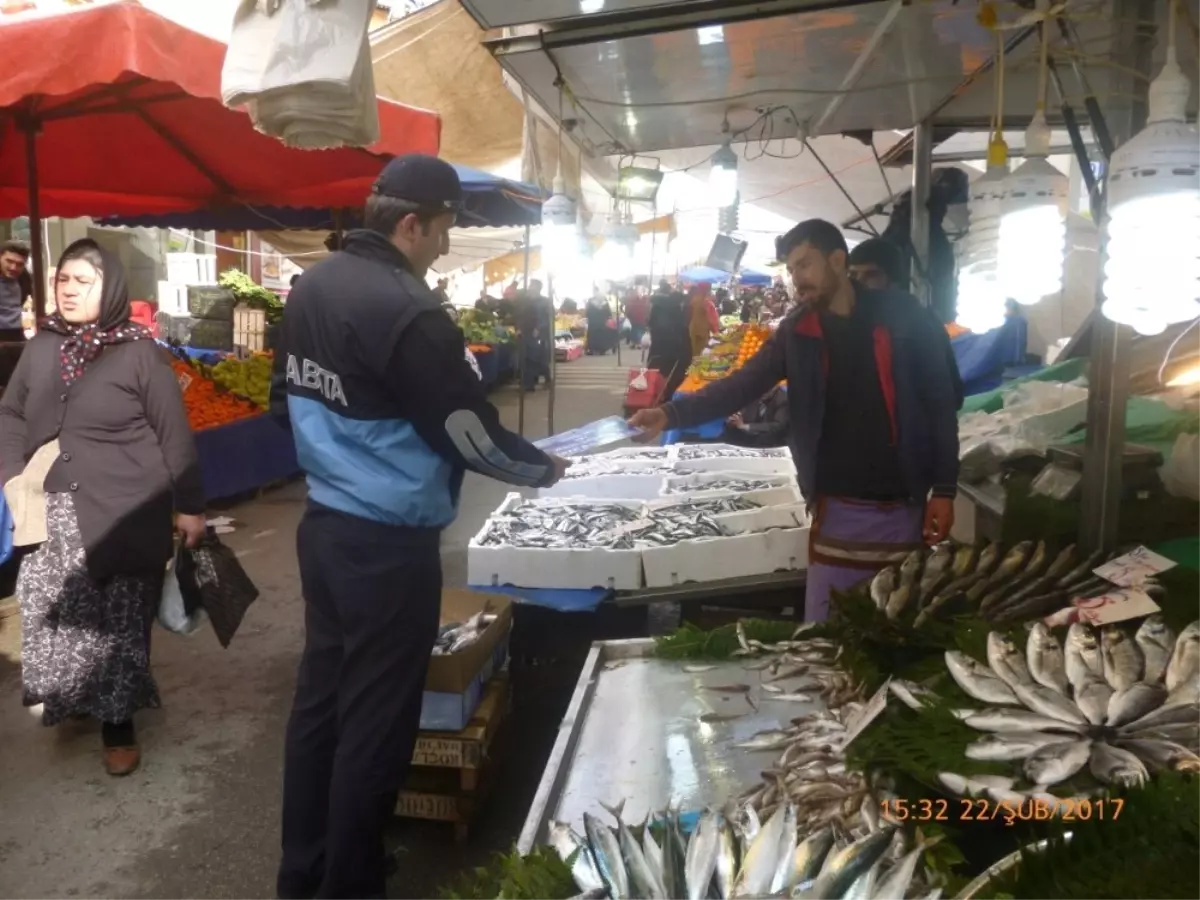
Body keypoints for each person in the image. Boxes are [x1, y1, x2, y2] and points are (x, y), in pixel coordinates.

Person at [270, 154, 568, 900]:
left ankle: (302, 872)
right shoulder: (408, 311)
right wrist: (544, 469)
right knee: (376, 721)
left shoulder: (314, 285)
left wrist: (337, 452)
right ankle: (353, 882)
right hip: (386, 544)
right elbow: (467, 432)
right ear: (411, 223)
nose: (445, 243)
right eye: (443, 229)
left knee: (320, 706)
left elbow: (283, 400)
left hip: (325, 529)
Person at [629, 219, 960, 622]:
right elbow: (741, 385)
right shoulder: (798, 331)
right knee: (828, 628)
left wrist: (944, 488)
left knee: (895, 624)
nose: (796, 279)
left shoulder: (905, 319)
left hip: (902, 504)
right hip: (834, 504)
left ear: (837, 260)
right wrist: (670, 412)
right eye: (791, 269)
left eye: (804, 265)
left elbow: (942, 404)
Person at [0, 239, 207, 776]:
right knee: (57, 612)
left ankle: (118, 723)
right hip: (52, 507)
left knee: (117, 619)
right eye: (63, 280)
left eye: (81, 282)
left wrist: (190, 506)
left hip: (124, 508)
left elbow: (174, 432)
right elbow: (12, 414)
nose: (68, 290)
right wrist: (11, 476)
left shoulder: (138, 351)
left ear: (108, 288)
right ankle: (76, 699)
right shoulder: (43, 344)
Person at [849, 237, 964, 409]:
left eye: (870, 275)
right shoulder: (849, 324)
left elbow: (950, 395)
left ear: (894, 282)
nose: (858, 283)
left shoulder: (921, 325)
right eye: (852, 275)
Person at [646, 287, 693, 401]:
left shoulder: (657, 307)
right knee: (672, 376)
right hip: (674, 350)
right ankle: (667, 397)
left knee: (656, 374)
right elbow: (682, 330)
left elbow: (651, 323)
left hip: (658, 348)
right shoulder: (675, 310)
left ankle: (653, 395)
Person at [723, 384, 789, 449]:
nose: (762, 392)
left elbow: (778, 425)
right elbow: (742, 413)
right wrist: (733, 419)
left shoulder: (783, 399)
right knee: (730, 432)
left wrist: (745, 426)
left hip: (772, 438)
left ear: (775, 386)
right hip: (751, 435)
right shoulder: (752, 393)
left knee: (763, 438)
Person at [518, 279, 553, 391]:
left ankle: (547, 379)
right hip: (528, 331)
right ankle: (530, 382)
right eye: (530, 286)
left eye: (532, 286)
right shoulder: (527, 301)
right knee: (529, 357)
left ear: (538, 288)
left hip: (541, 333)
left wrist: (539, 328)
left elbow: (549, 318)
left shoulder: (545, 301)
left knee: (540, 358)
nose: (530, 288)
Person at [0, 240, 33, 341]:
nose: (13, 267)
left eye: (19, 264)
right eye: (9, 261)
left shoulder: (24, 278)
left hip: (16, 332)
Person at [687, 283, 720, 356]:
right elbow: (711, 319)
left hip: (693, 328)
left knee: (694, 351)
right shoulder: (706, 302)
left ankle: (694, 365)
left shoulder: (694, 298)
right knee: (702, 352)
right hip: (702, 331)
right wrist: (716, 332)